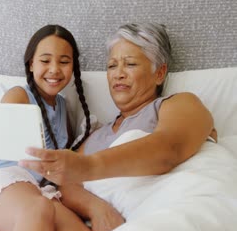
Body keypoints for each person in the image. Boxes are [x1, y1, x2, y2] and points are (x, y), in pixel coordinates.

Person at [0, 24, 124, 231]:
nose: (54, 70)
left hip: (34, 188)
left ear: (73, 67)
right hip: (4, 181)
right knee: (38, 209)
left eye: (64, 62)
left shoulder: (62, 108)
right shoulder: (19, 95)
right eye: (45, 61)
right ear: (31, 65)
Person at [18, 23, 217, 217]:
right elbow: (66, 182)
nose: (118, 74)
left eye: (130, 64)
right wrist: (97, 210)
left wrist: (89, 166)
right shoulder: (95, 136)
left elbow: (170, 148)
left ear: (159, 73)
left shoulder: (179, 104)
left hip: (170, 211)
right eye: (112, 66)